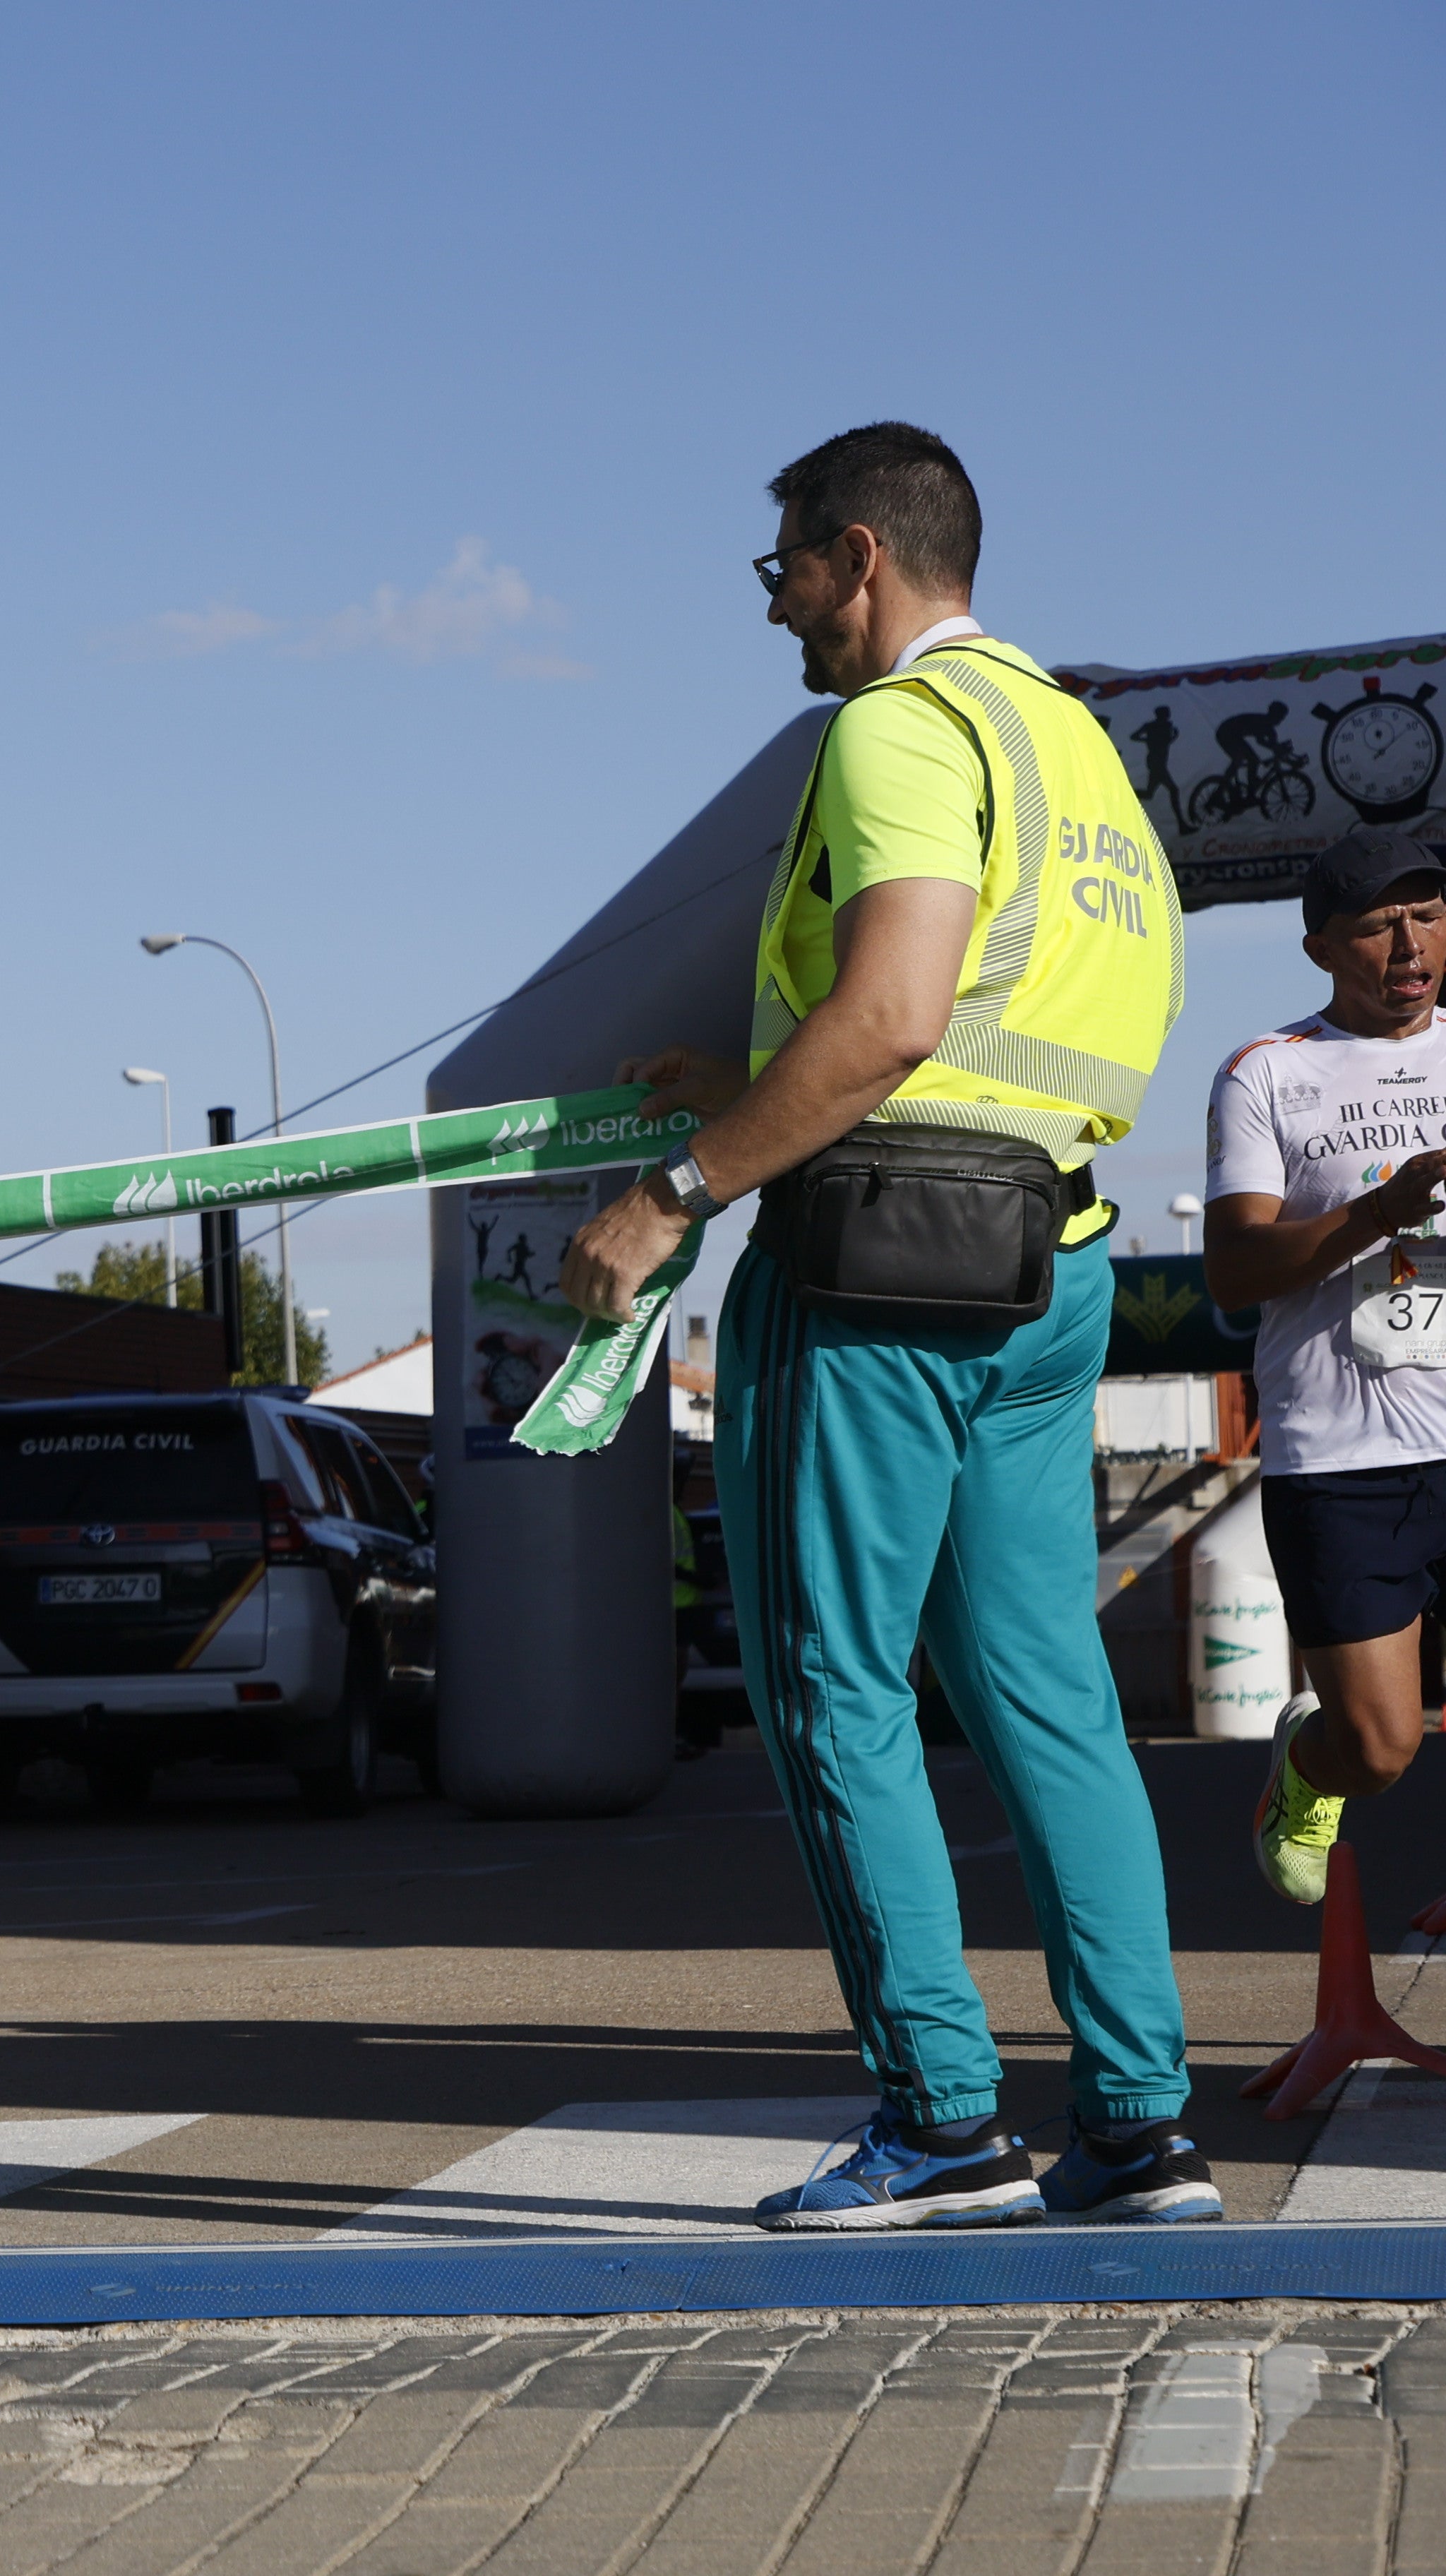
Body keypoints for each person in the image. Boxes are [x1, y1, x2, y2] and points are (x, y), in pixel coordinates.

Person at [561, 422, 1206, 2227]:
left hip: (874, 1277)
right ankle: (1141, 2125)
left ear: (858, 554)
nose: (773, 609)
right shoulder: (1074, 745)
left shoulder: (895, 729)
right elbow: (994, 1026)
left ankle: (941, 2118)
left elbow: (904, 1012)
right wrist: (759, 1075)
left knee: (831, 1687)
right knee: (1049, 1697)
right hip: (1049, 1261)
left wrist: (675, 1189)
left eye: (780, 568)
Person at [1202, 825, 1446, 1902]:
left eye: (1428, 916)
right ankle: (1307, 1768)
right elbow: (1233, 1270)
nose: (1411, 946)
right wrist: (1380, 1213)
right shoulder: (1266, 1072)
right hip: (1344, 1455)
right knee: (1382, 1749)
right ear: (1321, 949)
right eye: (1381, 925)